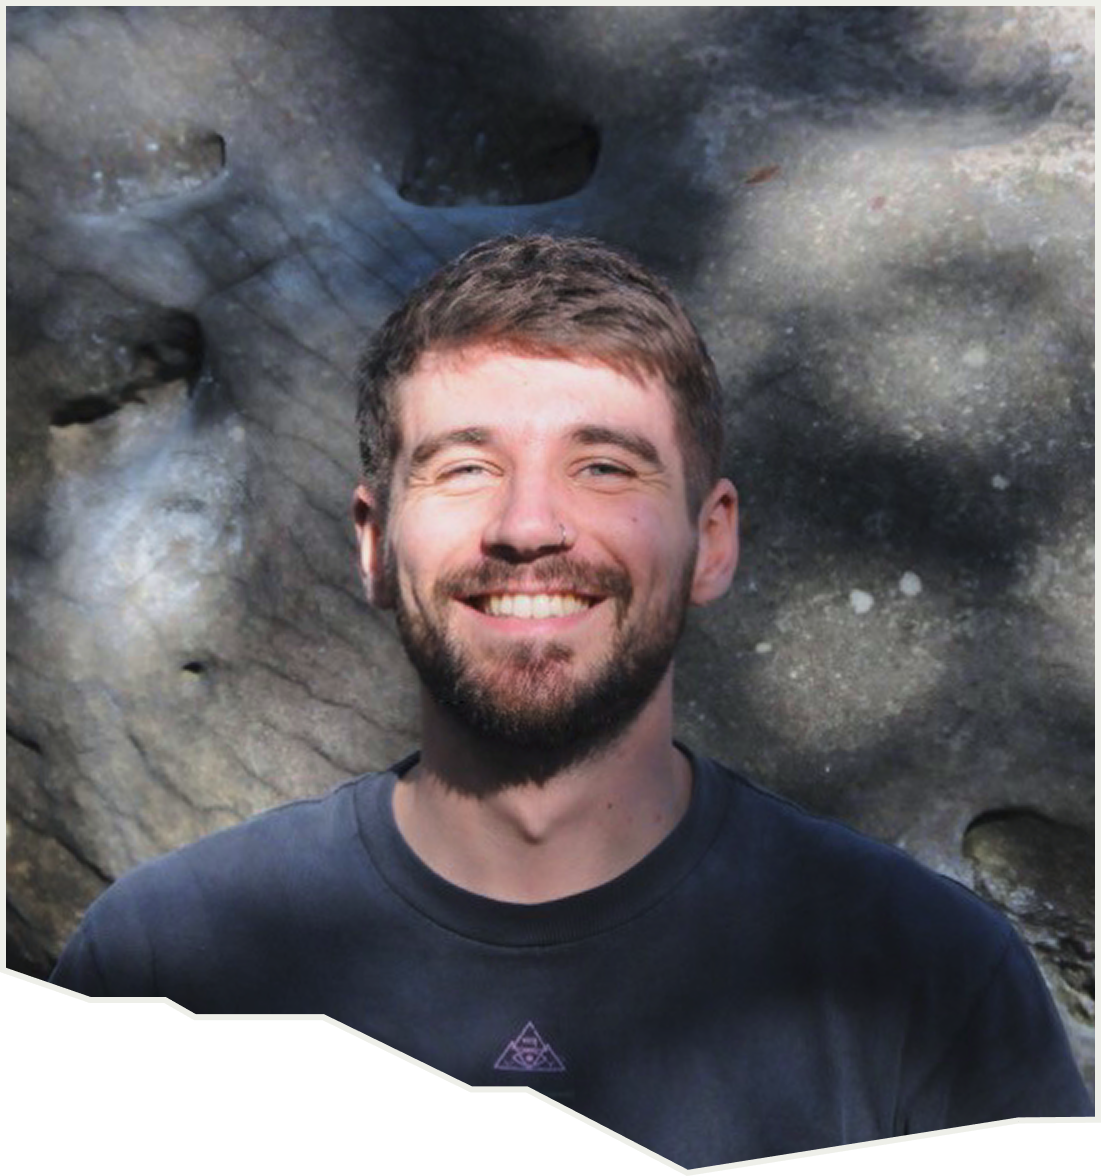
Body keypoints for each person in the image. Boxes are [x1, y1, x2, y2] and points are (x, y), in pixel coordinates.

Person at [50, 235, 1091, 1164]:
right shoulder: (162, 964)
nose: (528, 526)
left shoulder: (929, 981)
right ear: (373, 545)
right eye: (465, 467)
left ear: (710, 541)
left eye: (602, 467)